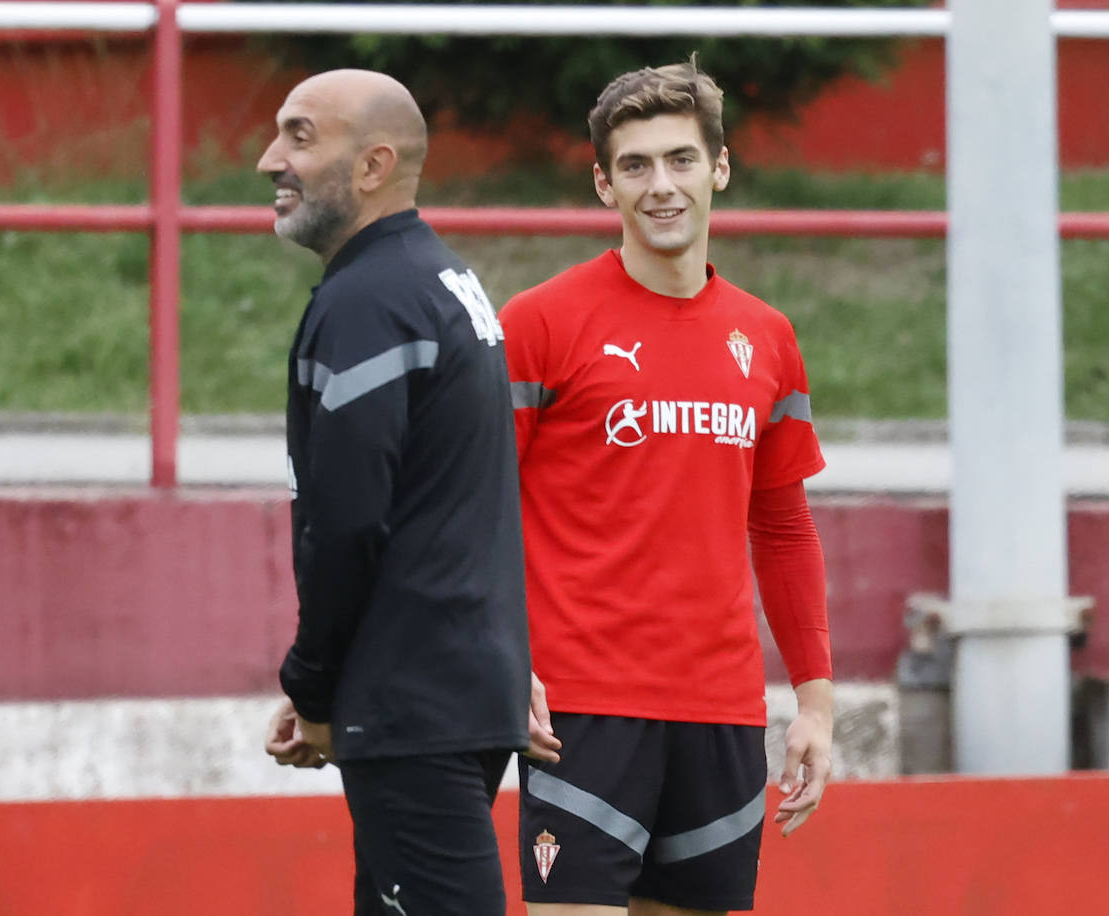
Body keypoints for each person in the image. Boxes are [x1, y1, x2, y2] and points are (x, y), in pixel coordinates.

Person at [500, 58, 835, 915]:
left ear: (719, 168)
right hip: (580, 707)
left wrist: (815, 702)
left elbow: (785, 528)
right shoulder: (539, 323)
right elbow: (474, 506)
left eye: (682, 160)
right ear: (603, 184)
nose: (663, 186)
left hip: (721, 712)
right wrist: (500, 653)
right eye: (637, 166)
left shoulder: (768, 338)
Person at [254, 68, 535, 916]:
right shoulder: (438, 278)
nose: (272, 158)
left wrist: (313, 685)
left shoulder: (368, 301)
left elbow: (347, 526)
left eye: (300, 135)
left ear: (373, 166)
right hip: (455, 690)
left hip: (416, 706)